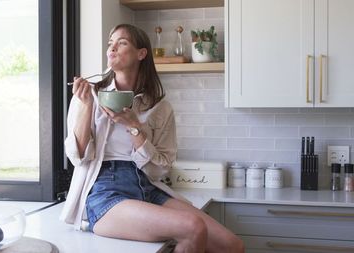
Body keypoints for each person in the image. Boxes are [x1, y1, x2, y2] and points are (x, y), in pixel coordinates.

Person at [60, 23, 244, 253]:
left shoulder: (160, 107)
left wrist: (134, 126)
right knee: (193, 228)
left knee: (232, 246)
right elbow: (77, 157)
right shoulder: (89, 95)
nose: (112, 48)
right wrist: (87, 106)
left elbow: (160, 169)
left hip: (147, 186)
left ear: (141, 53)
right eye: (110, 43)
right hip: (104, 191)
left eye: (122, 42)